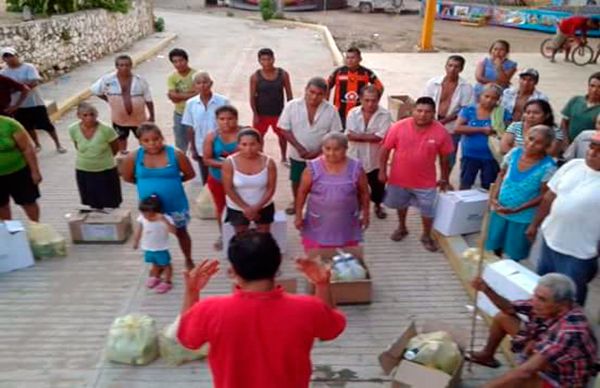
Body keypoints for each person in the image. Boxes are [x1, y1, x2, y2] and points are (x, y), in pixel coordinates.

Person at [177, 232, 346, 388]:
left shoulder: (211, 310)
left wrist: (192, 292)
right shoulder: (308, 308)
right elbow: (331, 329)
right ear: (277, 263)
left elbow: (188, 338)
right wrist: (322, 284)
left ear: (234, 271)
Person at [468, 273, 597, 388]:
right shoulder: (548, 305)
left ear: (562, 304)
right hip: (546, 352)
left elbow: (524, 373)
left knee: (522, 379)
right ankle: (487, 356)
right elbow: (509, 308)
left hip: (562, 380)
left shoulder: (570, 332)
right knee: (503, 317)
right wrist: (486, 289)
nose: (534, 302)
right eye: (535, 295)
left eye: (541, 299)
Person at [526, 132, 600, 306]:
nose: (592, 152)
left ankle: (571, 330)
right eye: (591, 147)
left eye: (599, 150)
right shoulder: (573, 165)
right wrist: (534, 225)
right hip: (550, 240)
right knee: (544, 289)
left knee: (569, 298)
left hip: (579, 252)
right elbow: (549, 197)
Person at [379, 97, 454, 252]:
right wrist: (382, 171)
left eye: (427, 112)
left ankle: (426, 235)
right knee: (401, 205)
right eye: (419, 111)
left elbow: (445, 159)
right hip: (399, 179)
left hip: (426, 182)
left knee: (428, 210)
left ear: (434, 113)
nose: (422, 115)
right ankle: (402, 227)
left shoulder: (441, 132)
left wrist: (444, 178)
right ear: (412, 111)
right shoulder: (398, 127)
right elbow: (385, 149)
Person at [121, 123, 196, 270]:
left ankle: (188, 258)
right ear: (140, 142)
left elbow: (190, 174)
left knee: (181, 232)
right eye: (146, 141)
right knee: (152, 232)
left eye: (156, 139)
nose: (152, 143)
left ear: (162, 138)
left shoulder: (175, 154)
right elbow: (127, 177)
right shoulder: (133, 157)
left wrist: (172, 183)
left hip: (175, 203)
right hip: (151, 207)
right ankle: (160, 263)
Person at [485, 125, 557, 261]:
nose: (532, 144)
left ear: (546, 146)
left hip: (522, 217)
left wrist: (517, 209)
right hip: (500, 209)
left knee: (514, 254)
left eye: (539, 143)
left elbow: (544, 195)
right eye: (530, 139)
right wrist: (494, 197)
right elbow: (502, 174)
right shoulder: (514, 153)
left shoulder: (548, 167)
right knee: (495, 246)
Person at [278, 77, 343, 215]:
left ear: (325, 95)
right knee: (296, 180)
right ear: (306, 90)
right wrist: (299, 148)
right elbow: (284, 129)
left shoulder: (331, 110)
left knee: (321, 181)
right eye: (311, 92)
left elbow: (335, 133)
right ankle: (297, 202)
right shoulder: (292, 106)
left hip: (323, 156)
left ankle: (318, 204)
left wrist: (319, 151)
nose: (314, 97)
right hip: (297, 154)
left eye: (319, 94)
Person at [295, 133, 369, 250]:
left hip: (346, 221)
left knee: (345, 257)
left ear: (345, 149)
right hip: (318, 221)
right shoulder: (312, 168)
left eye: (337, 149)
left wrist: (366, 214)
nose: (331, 153)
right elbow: (302, 192)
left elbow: (364, 192)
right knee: (318, 258)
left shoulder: (356, 168)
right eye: (327, 149)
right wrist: (298, 215)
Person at [1, 47, 66, 153]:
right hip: (17, 105)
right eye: (6, 56)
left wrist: (18, 88)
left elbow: (34, 83)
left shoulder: (28, 67)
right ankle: (37, 144)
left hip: (34, 102)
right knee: (27, 126)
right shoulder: (4, 73)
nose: (9, 58)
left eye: (11, 55)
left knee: (46, 124)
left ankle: (58, 144)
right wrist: (20, 88)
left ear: (16, 55)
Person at [91, 55, 154, 155]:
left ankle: (146, 159)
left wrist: (152, 116)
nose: (124, 68)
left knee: (144, 139)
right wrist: (109, 100)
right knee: (121, 141)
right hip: (119, 120)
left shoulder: (140, 80)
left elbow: (148, 99)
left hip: (139, 119)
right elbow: (95, 90)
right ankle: (123, 160)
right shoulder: (108, 80)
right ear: (116, 66)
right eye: (121, 65)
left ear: (131, 66)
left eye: (127, 65)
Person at [346, 85, 392, 219]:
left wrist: (359, 136)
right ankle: (358, 206)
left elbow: (381, 137)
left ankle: (378, 206)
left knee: (378, 187)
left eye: (374, 100)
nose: (370, 104)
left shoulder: (385, 115)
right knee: (355, 186)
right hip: (355, 158)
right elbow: (349, 135)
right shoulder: (352, 113)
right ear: (360, 99)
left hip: (376, 160)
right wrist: (372, 137)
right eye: (367, 100)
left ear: (378, 100)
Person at [422, 55, 474, 170]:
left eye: (456, 67)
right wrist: (430, 119)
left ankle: (445, 180)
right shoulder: (433, 83)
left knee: (449, 156)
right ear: (445, 67)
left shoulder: (466, 87)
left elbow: (465, 109)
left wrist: (445, 121)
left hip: (452, 126)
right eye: (450, 65)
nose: (452, 69)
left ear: (461, 69)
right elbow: (424, 102)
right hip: (430, 122)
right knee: (426, 153)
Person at [455, 84, 511, 190]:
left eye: (494, 98)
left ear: (499, 100)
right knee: (465, 184)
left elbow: (509, 132)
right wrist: (482, 129)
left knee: (489, 186)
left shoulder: (502, 113)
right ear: (480, 96)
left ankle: (485, 206)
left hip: (491, 157)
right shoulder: (469, 110)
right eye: (487, 96)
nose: (489, 100)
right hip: (470, 156)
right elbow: (457, 128)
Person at [222, 128, 277, 235]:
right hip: (237, 207)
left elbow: (271, 188)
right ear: (238, 145)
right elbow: (228, 189)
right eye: (244, 144)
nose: (248, 149)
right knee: (241, 236)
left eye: (253, 144)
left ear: (260, 145)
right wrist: (245, 208)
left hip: (263, 206)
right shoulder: (229, 162)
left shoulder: (269, 162)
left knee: (264, 236)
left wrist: (257, 208)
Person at [68, 103, 121, 209]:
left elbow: (115, 149)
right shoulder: (73, 129)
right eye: (85, 115)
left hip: (105, 170)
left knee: (110, 202)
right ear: (79, 116)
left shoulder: (106, 129)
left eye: (92, 114)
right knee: (91, 203)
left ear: (96, 115)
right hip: (84, 170)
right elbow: (77, 146)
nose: (89, 118)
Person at [182, 71, 230, 185]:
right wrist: (193, 148)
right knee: (206, 178)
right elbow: (189, 127)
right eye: (198, 83)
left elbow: (230, 124)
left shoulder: (223, 101)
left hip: (219, 146)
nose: (202, 85)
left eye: (205, 82)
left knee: (223, 175)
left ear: (211, 83)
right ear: (194, 86)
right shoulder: (191, 104)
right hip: (200, 146)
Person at [203, 106, 240, 250]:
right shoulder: (212, 137)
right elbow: (206, 160)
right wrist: (227, 164)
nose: (226, 122)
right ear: (217, 120)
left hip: (240, 180)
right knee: (221, 208)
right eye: (222, 119)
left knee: (241, 207)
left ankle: (243, 233)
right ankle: (223, 234)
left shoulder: (245, 134)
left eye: (230, 119)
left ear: (236, 119)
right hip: (217, 179)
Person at [249, 48, 293, 164]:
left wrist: (289, 113)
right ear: (259, 61)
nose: (267, 62)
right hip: (261, 113)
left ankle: (284, 157)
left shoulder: (283, 74)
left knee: (282, 137)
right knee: (258, 137)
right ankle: (260, 157)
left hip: (279, 113)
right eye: (263, 59)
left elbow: (289, 95)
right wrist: (255, 114)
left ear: (274, 59)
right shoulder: (255, 77)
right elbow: (252, 97)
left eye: (269, 59)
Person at [327, 46, 384, 127]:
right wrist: (326, 104)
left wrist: (372, 103)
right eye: (347, 57)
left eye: (353, 58)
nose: (350, 60)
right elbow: (326, 87)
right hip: (340, 114)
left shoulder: (366, 73)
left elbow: (380, 87)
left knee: (356, 136)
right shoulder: (338, 72)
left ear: (360, 59)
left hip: (359, 114)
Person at [0, 115, 42, 221]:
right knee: (2, 206)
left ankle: (36, 227)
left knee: (28, 202)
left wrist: (35, 171)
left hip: (19, 172)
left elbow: (27, 148)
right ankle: (10, 231)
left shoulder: (10, 124)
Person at [132, 195, 177, 294]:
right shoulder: (142, 218)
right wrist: (136, 241)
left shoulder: (165, 218)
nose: (146, 216)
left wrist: (164, 221)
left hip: (161, 247)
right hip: (148, 246)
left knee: (166, 265)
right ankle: (155, 276)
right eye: (143, 213)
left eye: (149, 214)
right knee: (154, 263)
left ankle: (167, 281)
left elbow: (173, 231)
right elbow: (139, 230)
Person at [167, 48, 197, 152]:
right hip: (180, 114)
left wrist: (177, 95)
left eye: (181, 60)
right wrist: (191, 94)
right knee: (180, 144)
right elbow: (172, 96)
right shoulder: (172, 77)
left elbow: (198, 94)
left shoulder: (196, 75)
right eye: (175, 62)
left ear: (186, 60)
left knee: (197, 142)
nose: (178, 64)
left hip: (195, 113)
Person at [560, 72, 600, 143]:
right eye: (592, 86)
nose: (595, 90)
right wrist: (565, 142)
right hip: (567, 143)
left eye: (599, 87)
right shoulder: (575, 100)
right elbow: (564, 122)